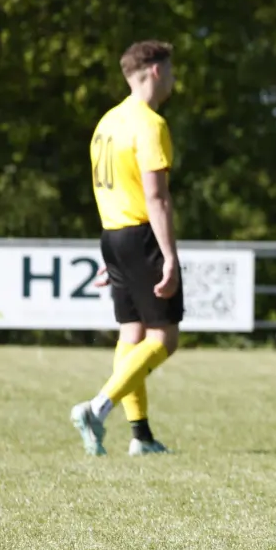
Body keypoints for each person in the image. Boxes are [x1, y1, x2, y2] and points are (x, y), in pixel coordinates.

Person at [71, 40, 183, 457]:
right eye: (170, 70)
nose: (173, 78)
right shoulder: (149, 123)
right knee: (164, 338)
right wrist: (168, 256)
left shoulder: (106, 122)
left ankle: (142, 436)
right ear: (155, 71)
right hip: (140, 235)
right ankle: (97, 409)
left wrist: (112, 254)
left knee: (132, 333)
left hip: (113, 235)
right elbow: (156, 198)